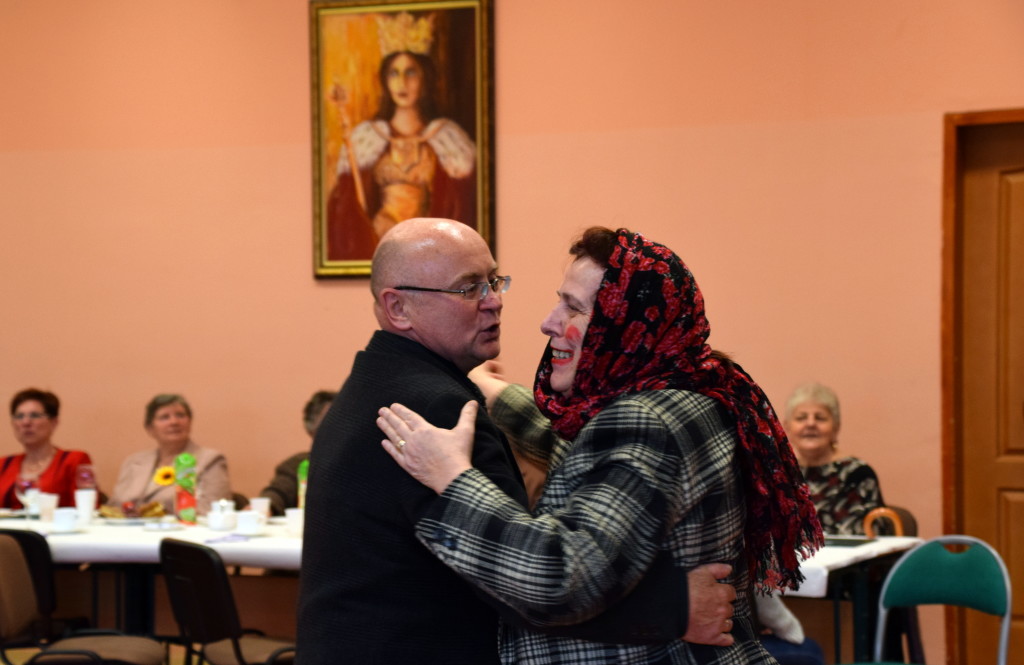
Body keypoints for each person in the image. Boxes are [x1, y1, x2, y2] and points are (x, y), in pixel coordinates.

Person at [296, 219, 736, 665]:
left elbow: (575, 449)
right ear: (399, 308)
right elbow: (521, 586)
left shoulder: (378, 382)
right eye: (469, 288)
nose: (495, 301)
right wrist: (673, 606)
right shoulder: (439, 412)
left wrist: (495, 392)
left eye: (493, 281)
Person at [377, 226, 823, 664]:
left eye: (574, 308)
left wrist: (453, 479)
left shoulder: (645, 422)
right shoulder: (692, 392)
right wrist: (489, 390)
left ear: (625, 328)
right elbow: (577, 446)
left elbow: (559, 581)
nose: (549, 323)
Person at [325, 11, 477, 260]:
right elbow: (344, 209)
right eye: (394, 73)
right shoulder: (367, 139)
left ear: (425, 78)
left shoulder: (447, 139)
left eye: (411, 72)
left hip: (428, 249)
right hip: (382, 242)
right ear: (385, 80)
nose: (402, 83)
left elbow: (458, 205)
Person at [784, 382, 884, 535]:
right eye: (801, 418)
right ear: (787, 428)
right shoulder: (780, 474)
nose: (810, 424)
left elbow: (870, 537)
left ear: (836, 428)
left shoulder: (858, 474)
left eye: (820, 418)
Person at [107, 394, 230, 516]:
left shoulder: (210, 460)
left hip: (179, 527)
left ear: (190, 422)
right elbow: (114, 506)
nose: (174, 422)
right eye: (164, 417)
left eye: (180, 415)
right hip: (125, 527)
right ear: (150, 428)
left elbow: (212, 509)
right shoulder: (133, 461)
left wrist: (153, 512)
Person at [3, 388, 94, 508]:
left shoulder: (75, 460)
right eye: (19, 416)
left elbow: (87, 508)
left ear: (53, 422)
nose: (25, 422)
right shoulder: (3, 464)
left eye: (35, 415)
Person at [258, 390, 336, 516]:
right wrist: (265, 508)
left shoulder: (364, 462)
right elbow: (278, 492)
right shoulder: (298, 464)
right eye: (332, 422)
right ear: (312, 431)